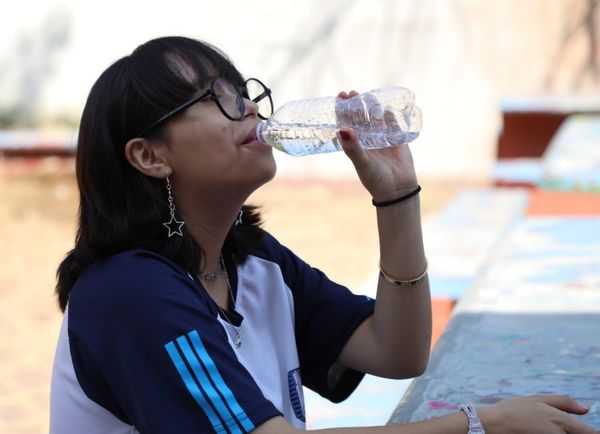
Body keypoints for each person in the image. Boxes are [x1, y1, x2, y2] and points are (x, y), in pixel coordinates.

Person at [49, 36, 596, 434]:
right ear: (150, 156)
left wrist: (397, 197)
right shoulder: (129, 293)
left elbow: (398, 351)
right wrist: (481, 424)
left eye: (244, 92)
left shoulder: (254, 263)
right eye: (217, 98)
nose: (251, 110)